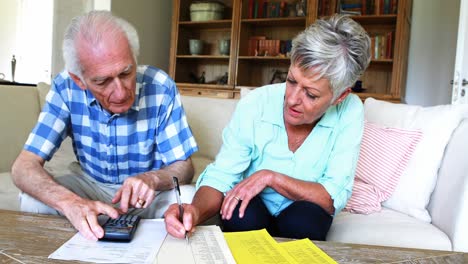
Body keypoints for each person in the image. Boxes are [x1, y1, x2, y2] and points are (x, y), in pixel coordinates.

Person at [164, 14, 371, 240]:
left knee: (307, 220)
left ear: (339, 97)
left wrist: (272, 178)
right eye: (291, 81)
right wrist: (195, 211)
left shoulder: (350, 111)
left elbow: (331, 196)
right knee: (239, 213)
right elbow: (222, 176)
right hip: (254, 209)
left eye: (310, 94)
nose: (291, 99)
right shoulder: (256, 103)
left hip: (304, 211)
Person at [11, 10, 198, 241]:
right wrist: (71, 203)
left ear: (134, 58)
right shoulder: (65, 88)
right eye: (102, 81)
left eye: (126, 72)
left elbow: (185, 167)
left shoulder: (160, 86)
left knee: (190, 199)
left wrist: (152, 178)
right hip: (91, 187)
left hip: (149, 195)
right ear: (79, 80)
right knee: (31, 199)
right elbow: (23, 168)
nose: (120, 92)